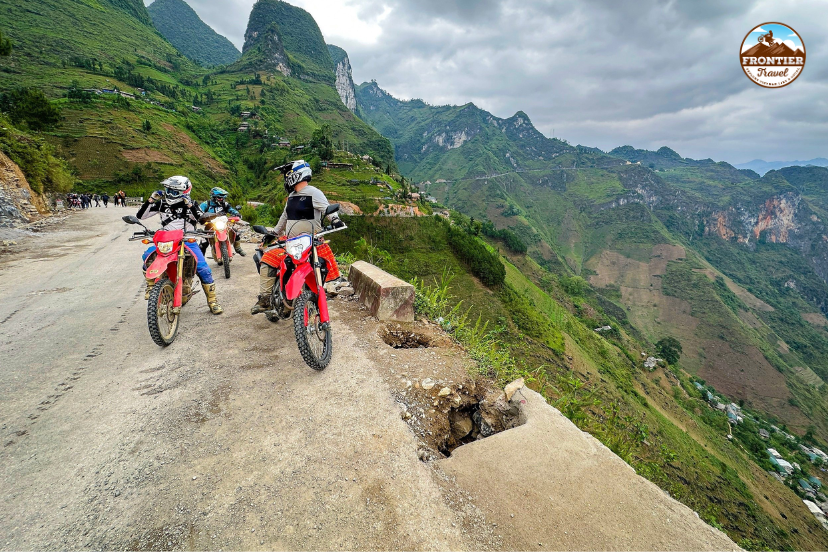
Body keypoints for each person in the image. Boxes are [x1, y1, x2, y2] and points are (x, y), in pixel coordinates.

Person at [251, 160, 344, 315]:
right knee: (267, 259)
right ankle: (266, 299)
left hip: (311, 242)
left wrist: (335, 220)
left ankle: (315, 296)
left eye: (288, 175)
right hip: (291, 243)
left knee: (319, 268)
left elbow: (326, 208)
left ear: (296, 175)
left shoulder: (313, 192)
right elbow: (283, 220)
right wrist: (272, 234)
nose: (286, 179)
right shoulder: (291, 197)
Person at [136, 176, 223, 314]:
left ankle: (213, 301)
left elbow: (201, 220)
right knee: (147, 256)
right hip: (166, 240)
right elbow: (141, 215)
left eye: (174, 192)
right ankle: (150, 286)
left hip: (186, 240)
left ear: (185, 192)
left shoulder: (191, 204)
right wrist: (151, 199)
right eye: (168, 190)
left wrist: (190, 205)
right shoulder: (162, 204)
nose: (170, 194)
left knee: (202, 267)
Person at [199, 187, 246, 257]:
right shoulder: (206, 204)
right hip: (210, 225)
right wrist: (202, 217)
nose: (221, 199)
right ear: (213, 197)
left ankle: (238, 248)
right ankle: (200, 259)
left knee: (235, 232)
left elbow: (231, 210)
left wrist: (237, 213)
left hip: (223, 224)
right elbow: (199, 212)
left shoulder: (225, 204)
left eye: (222, 198)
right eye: (219, 197)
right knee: (203, 241)